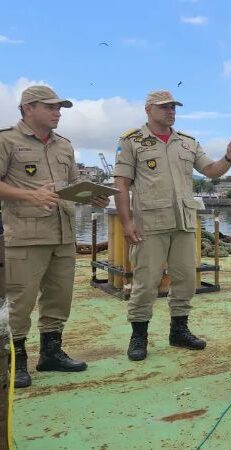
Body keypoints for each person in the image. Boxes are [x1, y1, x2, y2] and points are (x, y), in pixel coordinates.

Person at [114, 90, 231, 361]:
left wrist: (229, 157)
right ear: (149, 110)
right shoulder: (132, 141)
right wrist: (127, 223)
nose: (171, 111)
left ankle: (179, 330)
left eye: (173, 107)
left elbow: (211, 170)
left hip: (184, 222)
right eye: (164, 107)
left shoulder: (186, 142)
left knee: (186, 279)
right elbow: (121, 184)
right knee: (146, 282)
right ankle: (139, 336)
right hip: (149, 224)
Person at [0, 85, 110, 388]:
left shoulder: (64, 145)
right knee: (20, 300)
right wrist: (29, 195)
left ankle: (51, 352)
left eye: (59, 108)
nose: (57, 112)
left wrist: (92, 196)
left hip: (63, 234)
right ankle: (15, 360)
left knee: (59, 298)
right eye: (51, 107)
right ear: (28, 108)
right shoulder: (6, 140)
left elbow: (72, 184)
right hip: (25, 236)